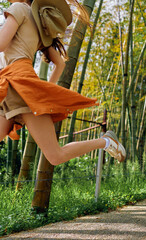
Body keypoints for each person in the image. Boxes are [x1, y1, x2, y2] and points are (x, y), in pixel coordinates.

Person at [0, 0, 126, 165]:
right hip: (10, 87)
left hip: (20, 86)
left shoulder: (19, 9)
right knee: (55, 156)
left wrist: (40, 95)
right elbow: (59, 63)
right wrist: (43, 94)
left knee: (55, 156)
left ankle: (106, 142)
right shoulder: (38, 24)